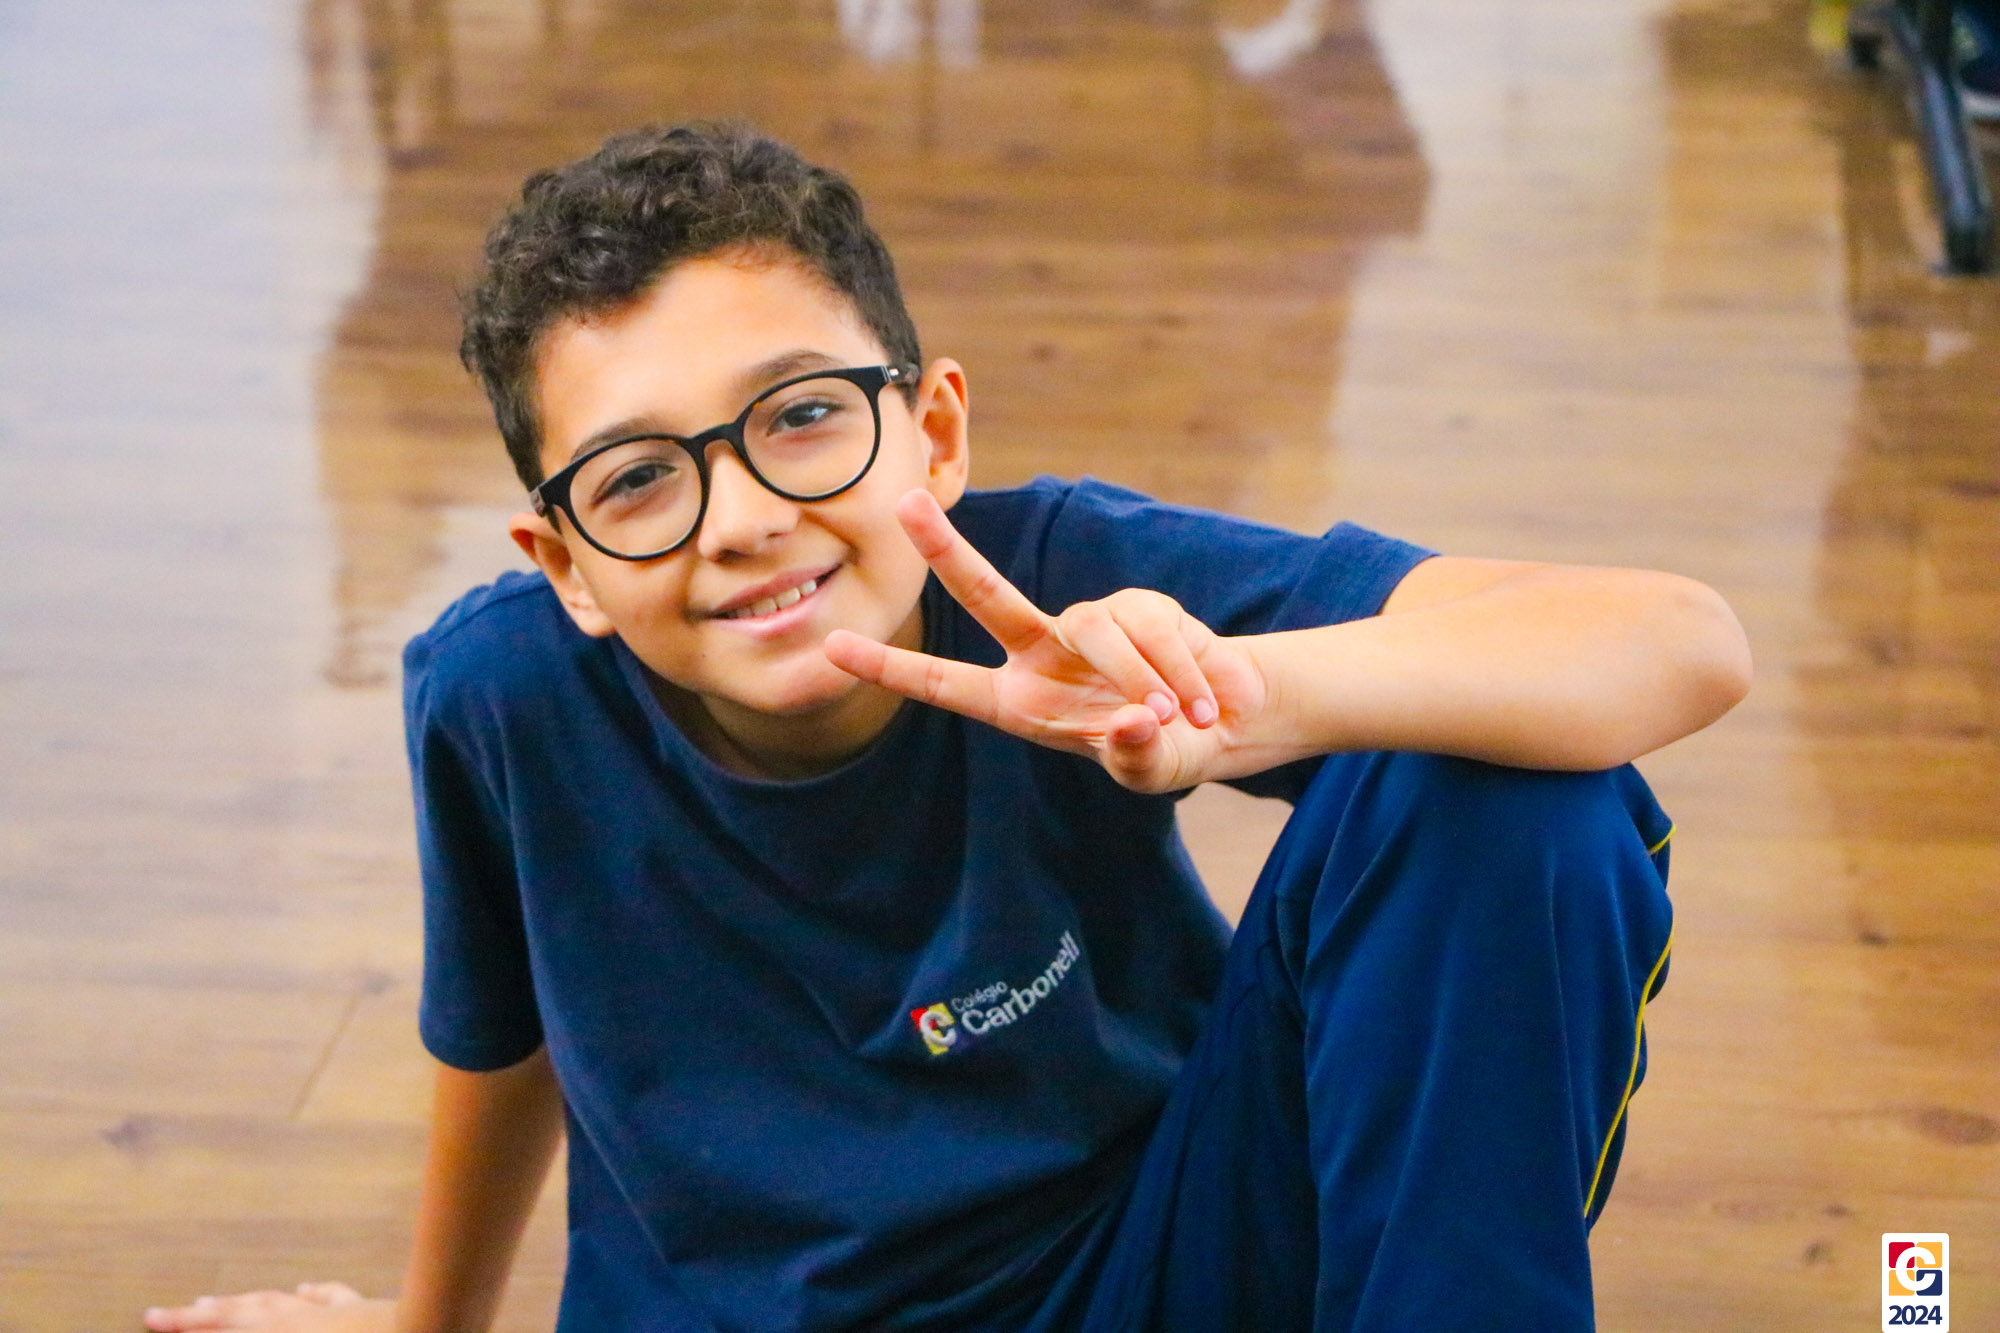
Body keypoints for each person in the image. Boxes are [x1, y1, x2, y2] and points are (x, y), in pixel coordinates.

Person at [143, 122, 1750, 1333]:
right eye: (636, 479)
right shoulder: (500, 692)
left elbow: (1679, 639)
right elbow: (501, 1034)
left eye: (801, 418)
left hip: (1151, 1262)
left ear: (935, 429)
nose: (744, 518)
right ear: (562, 564)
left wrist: (1246, 700)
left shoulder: (1059, 576)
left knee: (1506, 782)